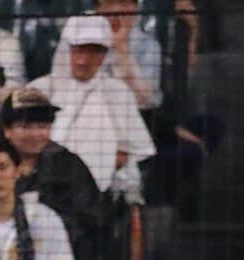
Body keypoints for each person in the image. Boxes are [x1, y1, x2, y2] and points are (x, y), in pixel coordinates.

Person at [31, 14, 156, 198]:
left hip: (97, 197)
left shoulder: (118, 92)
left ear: (105, 54)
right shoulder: (39, 90)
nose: (83, 60)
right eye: (79, 50)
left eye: (94, 51)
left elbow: (128, 152)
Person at [0, 87, 102, 260]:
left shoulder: (69, 166)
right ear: (7, 130)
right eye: (26, 126)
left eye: (42, 126)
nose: (35, 134)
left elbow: (91, 222)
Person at [96, 0, 162, 110]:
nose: (116, 10)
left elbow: (148, 99)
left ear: (135, 8)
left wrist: (122, 48)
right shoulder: (86, 41)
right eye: (109, 4)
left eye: (124, 4)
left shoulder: (148, 45)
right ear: (99, 9)